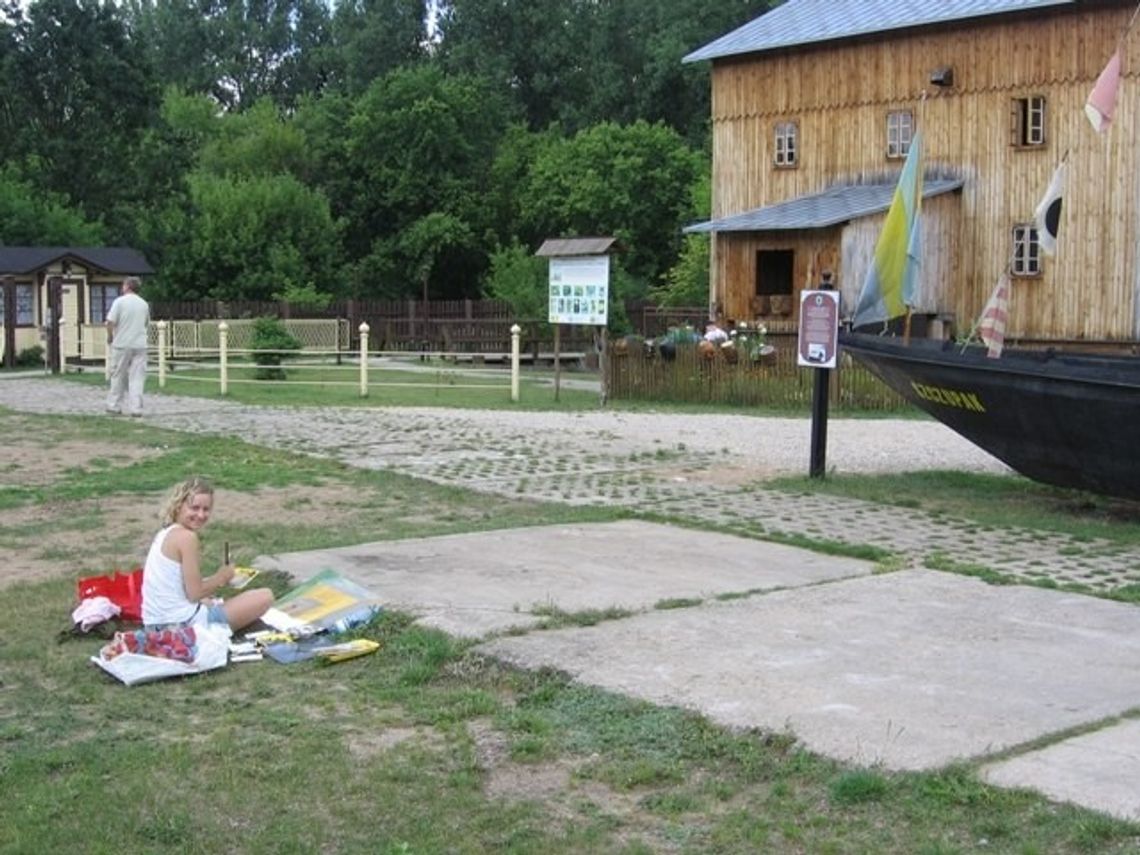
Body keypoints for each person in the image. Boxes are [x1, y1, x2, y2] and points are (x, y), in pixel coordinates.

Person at [142, 477, 274, 632]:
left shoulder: (165, 532)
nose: (201, 515)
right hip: (181, 627)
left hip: (154, 625)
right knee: (265, 596)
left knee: (209, 600)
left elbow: (182, 586)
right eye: (194, 508)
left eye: (206, 509)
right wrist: (222, 577)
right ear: (179, 506)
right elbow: (194, 594)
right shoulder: (187, 538)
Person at [105, 276, 150, 417]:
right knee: (137, 377)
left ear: (127, 287)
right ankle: (136, 408)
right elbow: (146, 323)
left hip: (122, 343)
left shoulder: (119, 302)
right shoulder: (144, 304)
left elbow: (110, 322)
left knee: (118, 374)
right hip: (140, 344)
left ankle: (114, 405)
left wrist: (110, 336)